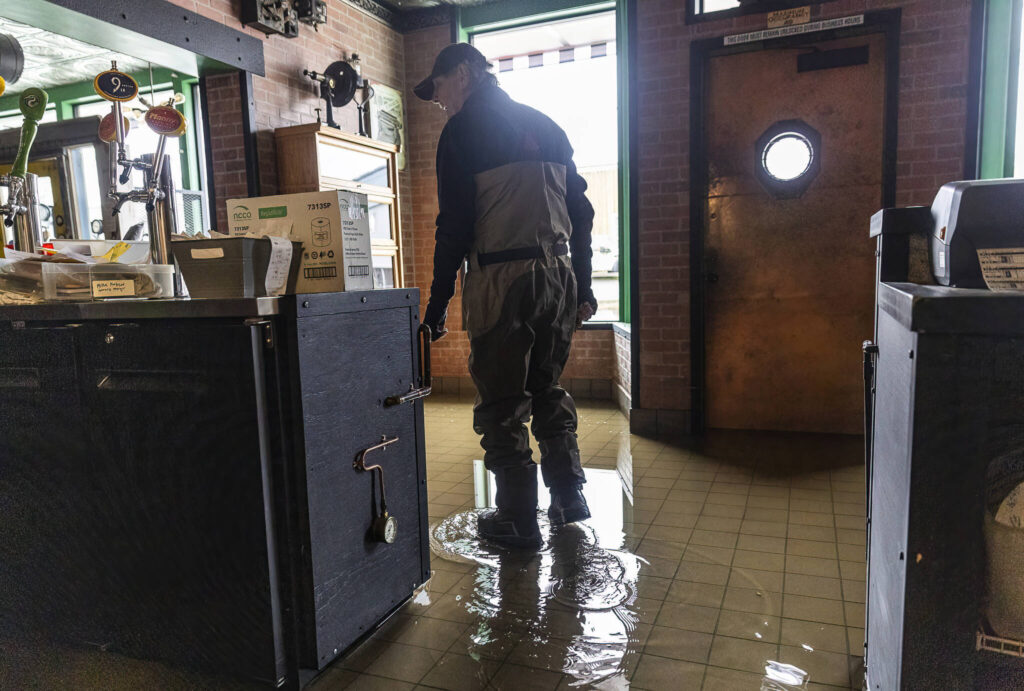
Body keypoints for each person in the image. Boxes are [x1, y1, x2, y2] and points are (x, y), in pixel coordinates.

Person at [413, 43, 598, 549]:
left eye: (442, 89)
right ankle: (568, 494)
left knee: (501, 402)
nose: (440, 101)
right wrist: (583, 282)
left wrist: (436, 306)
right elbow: (582, 214)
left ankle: (517, 518)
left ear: (466, 75)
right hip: (558, 277)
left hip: (502, 279)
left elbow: (452, 227)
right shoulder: (549, 126)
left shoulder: (462, 132)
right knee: (547, 385)